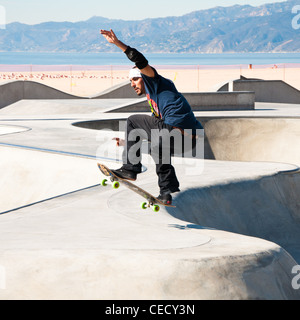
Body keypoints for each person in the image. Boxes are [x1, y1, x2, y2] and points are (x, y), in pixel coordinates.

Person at [100, 29, 203, 205]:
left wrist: (118, 44)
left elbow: (140, 60)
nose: (132, 85)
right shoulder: (155, 103)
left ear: (143, 77)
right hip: (189, 140)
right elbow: (151, 132)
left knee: (132, 120)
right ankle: (166, 192)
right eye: (130, 82)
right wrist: (128, 141)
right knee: (157, 146)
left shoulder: (154, 80)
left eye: (134, 80)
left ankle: (130, 169)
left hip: (178, 132)